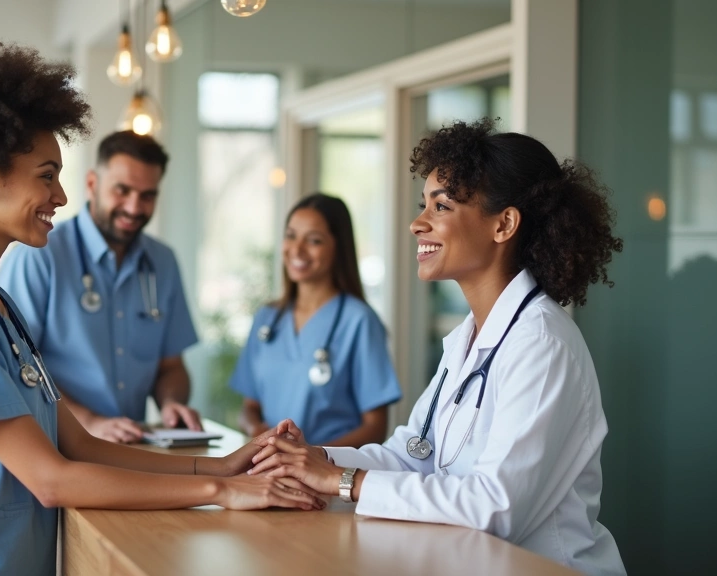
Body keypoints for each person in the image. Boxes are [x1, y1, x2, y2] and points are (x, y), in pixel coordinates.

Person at [0, 43, 323, 576]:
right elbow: (51, 478)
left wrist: (222, 463)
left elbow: (77, 442)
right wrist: (221, 490)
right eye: (46, 175)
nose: (60, 196)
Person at [250, 119, 626, 576]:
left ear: (504, 224)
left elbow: (495, 508)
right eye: (423, 204)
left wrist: (340, 481)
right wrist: (316, 459)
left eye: (441, 206)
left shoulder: (541, 344)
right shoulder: (471, 338)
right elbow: (411, 455)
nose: (417, 223)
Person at [0, 131, 200, 444]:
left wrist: (172, 404)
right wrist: (88, 422)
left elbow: (171, 366)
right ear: (92, 184)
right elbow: (15, 366)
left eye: (147, 195)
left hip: (132, 448)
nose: (134, 207)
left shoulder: (163, 262)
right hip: (56, 447)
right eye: (122, 190)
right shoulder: (39, 255)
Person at [230, 193, 401, 447]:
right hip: (269, 470)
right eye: (290, 236)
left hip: (327, 476)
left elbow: (375, 428)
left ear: (338, 247)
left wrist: (310, 457)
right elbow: (249, 407)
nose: (297, 249)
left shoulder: (359, 321)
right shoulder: (267, 319)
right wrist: (258, 430)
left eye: (314, 240)